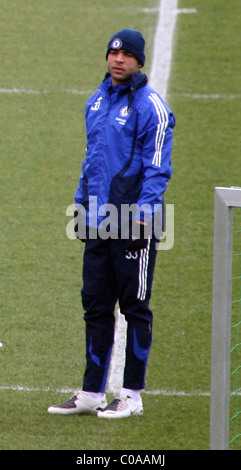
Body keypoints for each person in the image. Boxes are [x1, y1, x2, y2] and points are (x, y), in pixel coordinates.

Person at [48, 28, 175, 418]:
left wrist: (144, 212)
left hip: (134, 221)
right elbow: (92, 161)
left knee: (135, 306)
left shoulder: (151, 106)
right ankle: (91, 392)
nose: (118, 60)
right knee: (95, 305)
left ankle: (132, 395)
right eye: (113, 54)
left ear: (139, 61)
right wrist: (80, 206)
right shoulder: (96, 101)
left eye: (126, 55)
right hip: (99, 220)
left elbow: (157, 166)